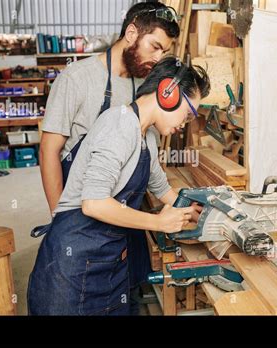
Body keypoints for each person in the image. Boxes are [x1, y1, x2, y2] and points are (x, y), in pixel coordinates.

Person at [28, 56, 210, 315]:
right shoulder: (119, 123)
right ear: (168, 93)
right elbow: (93, 203)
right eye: (189, 113)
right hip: (73, 263)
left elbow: (163, 190)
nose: (184, 124)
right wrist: (159, 222)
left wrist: (193, 210)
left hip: (107, 260)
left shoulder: (146, 134)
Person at [39, 2, 180, 215]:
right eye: (155, 47)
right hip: (80, 211)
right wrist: (59, 217)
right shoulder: (76, 78)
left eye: (165, 51)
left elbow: (147, 155)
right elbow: (48, 151)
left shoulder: (145, 86)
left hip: (126, 212)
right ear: (131, 33)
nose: (158, 58)